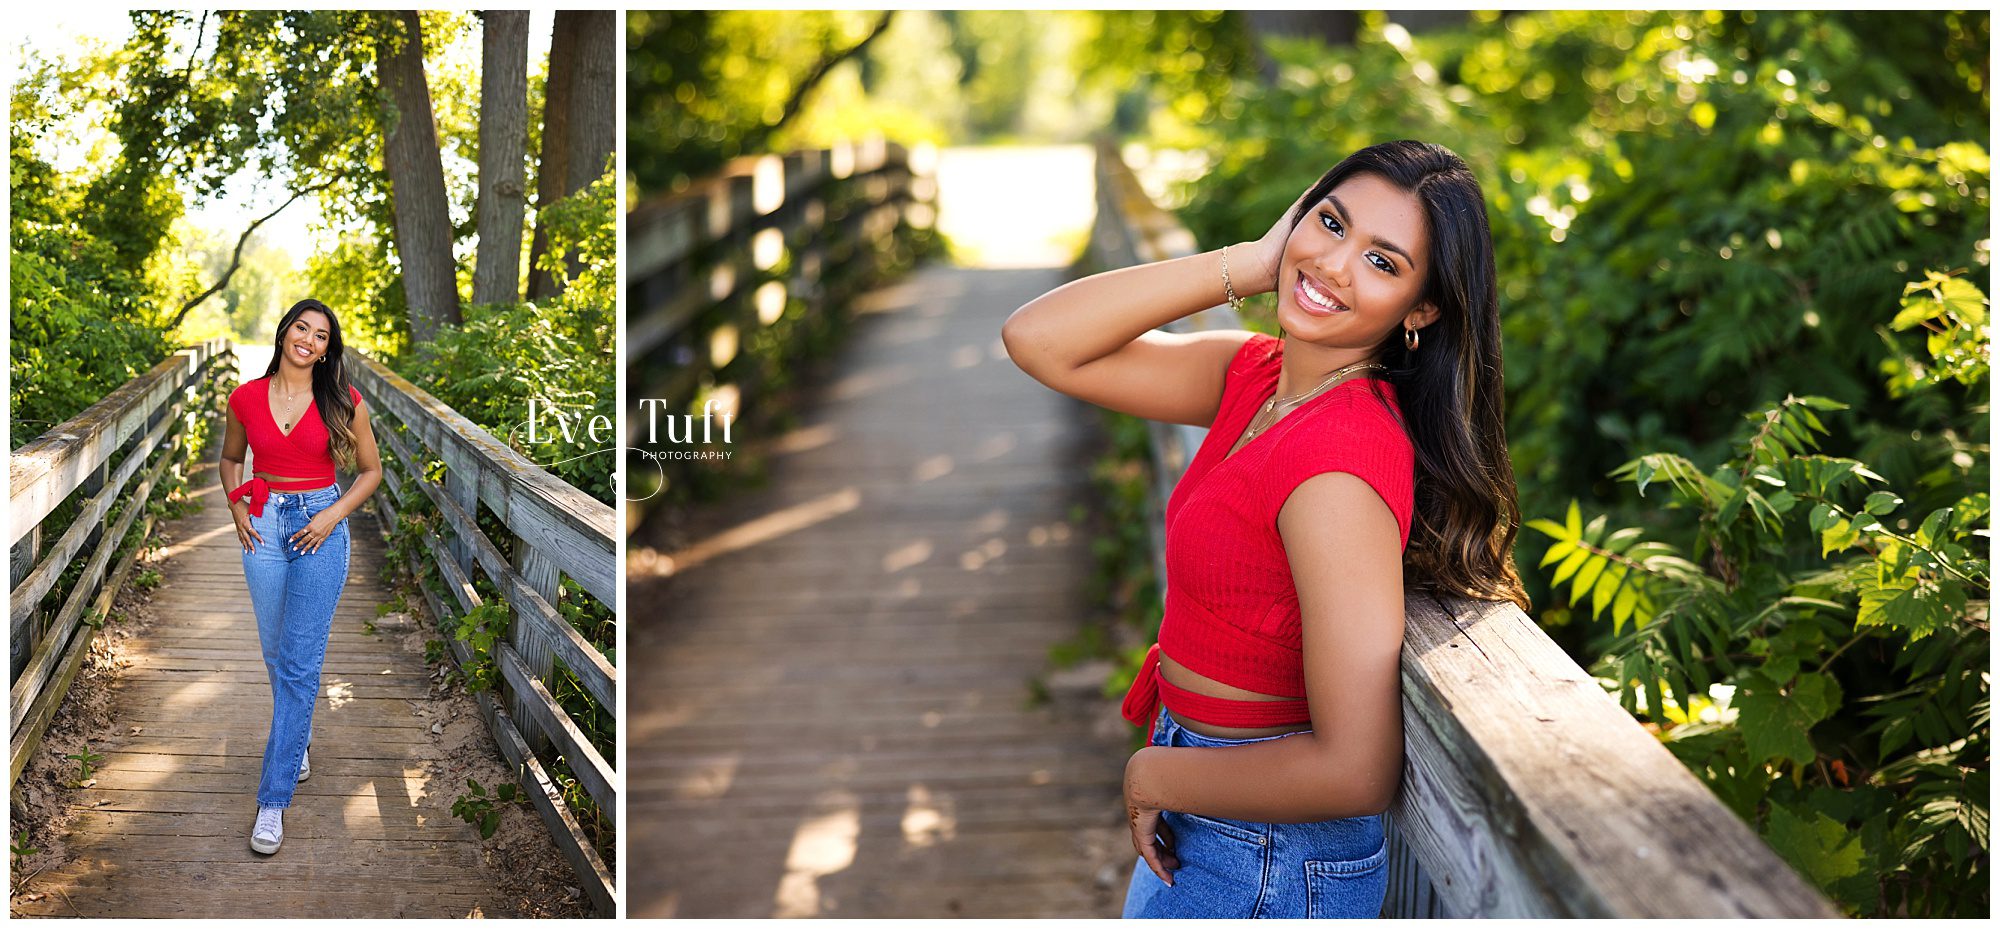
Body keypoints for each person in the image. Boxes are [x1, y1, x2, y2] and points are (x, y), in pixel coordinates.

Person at [1002, 140, 1529, 918]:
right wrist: (1250, 261)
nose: (1334, 265)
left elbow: (1355, 769)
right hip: (1214, 817)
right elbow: (1038, 340)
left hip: (1265, 855)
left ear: (1423, 309)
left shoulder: (1337, 463)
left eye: (1383, 262)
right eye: (1330, 222)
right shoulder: (1255, 377)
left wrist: (1156, 776)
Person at [218, 298, 383, 855]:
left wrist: (332, 514)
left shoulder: (344, 402)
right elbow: (229, 460)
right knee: (275, 653)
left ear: (327, 349)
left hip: (319, 526)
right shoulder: (243, 398)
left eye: (320, 335)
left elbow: (370, 470)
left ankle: (272, 801)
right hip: (262, 526)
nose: (308, 340)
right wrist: (238, 508)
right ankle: (298, 738)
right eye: (301, 328)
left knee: (297, 663)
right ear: (285, 331)